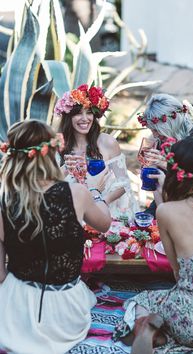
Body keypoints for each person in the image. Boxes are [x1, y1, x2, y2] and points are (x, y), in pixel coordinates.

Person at [113, 137, 193, 353]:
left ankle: (151, 330)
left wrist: (161, 195)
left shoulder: (166, 211)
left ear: (173, 171)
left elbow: (177, 274)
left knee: (143, 299)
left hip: (191, 323)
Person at [0, 120, 111, 354]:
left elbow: (0, 275)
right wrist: (96, 191)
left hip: (15, 311)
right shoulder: (77, 193)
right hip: (66, 313)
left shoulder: (3, 200)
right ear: (51, 152)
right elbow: (104, 224)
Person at [54, 84, 138, 220]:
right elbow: (49, 187)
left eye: (89, 113)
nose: (85, 118)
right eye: (78, 113)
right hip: (71, 214)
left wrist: (101, 203)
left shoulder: (108, 143)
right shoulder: (57, 146)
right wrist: (66, 169)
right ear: (68, 117)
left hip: (106, 211)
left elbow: (123, 183)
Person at [137, 93, 193, 215]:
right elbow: (154, 185)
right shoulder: (157, 140)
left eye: (156, 130)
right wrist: (148, 168)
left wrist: (164, 163)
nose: (154, 134)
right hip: (162, 201)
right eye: (152, 130)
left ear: (171, 123)